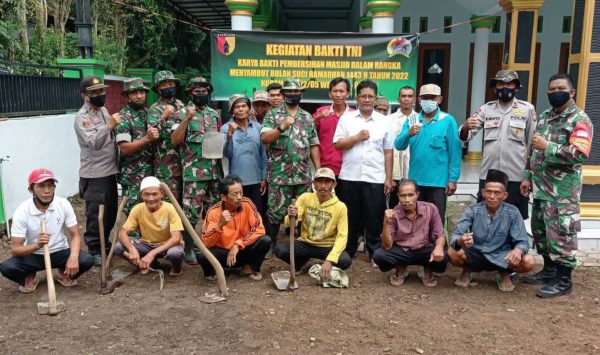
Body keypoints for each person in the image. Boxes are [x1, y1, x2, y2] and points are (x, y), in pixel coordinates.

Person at [521, 73, 594, 298]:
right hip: (541, 188)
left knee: (562, 234)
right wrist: (526, 176)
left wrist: (548, 146)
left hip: (563, 193)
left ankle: (564, 281)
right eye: (551, 89)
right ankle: (549, 270)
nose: (555, 92)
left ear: (571, 92)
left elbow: (580, 154)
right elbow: (532, 150)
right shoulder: (544, 116)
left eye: (560, 88)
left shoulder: (579, 120)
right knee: (541, 232)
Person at [0, 169, 94, 292]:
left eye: (50, 185)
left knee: (86, 260)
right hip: (33, 255)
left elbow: (75, 235)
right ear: (31, 190)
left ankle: (65, 273)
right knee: (7, 267)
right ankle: (29, 276)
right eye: (41, 186)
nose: (47, 191)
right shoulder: (22, 211)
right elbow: (16, 249)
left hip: (60, 251)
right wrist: (37, 245)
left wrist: (73, 257)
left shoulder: (63, 204)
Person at [459, 70, 536, 219]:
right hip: (489, 174)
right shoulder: (486, 109)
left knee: (515, 217)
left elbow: (533, 146)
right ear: (495, 87)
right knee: (485, 215)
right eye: (500, 84)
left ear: (517, 87)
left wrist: (528, 176)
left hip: (515, 175)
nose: (505, 87)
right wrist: (466, 126)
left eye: (509, 84)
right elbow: (466, 136)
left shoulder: (527, 110)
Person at [333, 79, 394, 262]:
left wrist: (389, 179)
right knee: (351, 215)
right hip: (349, 176)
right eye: (363, 96)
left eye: (371, 96)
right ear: (357, 98)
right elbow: (338, 144)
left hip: (375, 177)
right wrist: (357, 137)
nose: (367, 99)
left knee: (374, 216)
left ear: (375, 99)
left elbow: (389, 153)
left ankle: (374, 251)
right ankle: (349, 249)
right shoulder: (347, 118)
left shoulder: (385, 121)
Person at [449, 169, 535, 292]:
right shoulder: (473, 210)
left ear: (505, 195)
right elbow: (456, 235)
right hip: (476, 252)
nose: (492, 197)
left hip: (501, 255)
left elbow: (522, 241)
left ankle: (503, 273)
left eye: (497, 193)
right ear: (483, 192)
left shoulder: (513, 212)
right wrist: (460, 241)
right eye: (488, 192)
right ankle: (467, 270)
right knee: (452, 252)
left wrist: (518, 250)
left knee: (528, 261)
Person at [261, 78, 320, 254]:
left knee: (304, 210)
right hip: (280, 174)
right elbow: (265, 139)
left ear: (301, 94)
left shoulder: (307, 117)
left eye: (296, 92)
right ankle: (271, 244)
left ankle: (302, 245)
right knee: (276, 210)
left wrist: (318, 170)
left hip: (302, 174)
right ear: (283, 94)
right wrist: (282, 127)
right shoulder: (272, 115)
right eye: (289, 92)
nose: (293, 95)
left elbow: (313, 145)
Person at [171, 77, 223, 263]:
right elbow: (175, 141)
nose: (201, 94)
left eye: (204, 90)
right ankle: (189, 248)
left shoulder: (214, 114)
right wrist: (187, 118)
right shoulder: (180, 113)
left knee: (212, 211)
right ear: (190, 92)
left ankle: (209, 244)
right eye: (197, 90)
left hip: (214, 172)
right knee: (191, 212)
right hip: (193, 173)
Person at [395, 83, 461, 224]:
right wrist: (408, 133)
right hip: (416, 181)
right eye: (425, 97)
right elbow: (399, 145)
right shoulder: (412, 120)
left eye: (432, 97)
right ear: (419, 100)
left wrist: (453, 178)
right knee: (415, 218)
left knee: (436, 219)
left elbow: (455, 151)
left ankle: (437, 245)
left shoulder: (447, 120)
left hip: (438, 182)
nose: (428, 101)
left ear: (439, 99)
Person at [73, 75, 120, 265]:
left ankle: (105, 243)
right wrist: (109, 127)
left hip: (110, 171)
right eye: (94, 92)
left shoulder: (102, 110)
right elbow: (93, 142)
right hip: (94, 175)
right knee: (95, 213)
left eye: (101, 91)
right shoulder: (82, 117)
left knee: (111, 212)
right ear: (85, 95)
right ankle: (93, 250)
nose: (100, 94)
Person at [275, 168, 352, 279]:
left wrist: (330, 261)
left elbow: (342, 236)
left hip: (327, 246)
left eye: (327, 182)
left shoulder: (340, 207)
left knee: (345, 261)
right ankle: (301, 263)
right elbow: (290, 223)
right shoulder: (305, 198)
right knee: (280, 250)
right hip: (306, 243)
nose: (323, 185)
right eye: (319, 181)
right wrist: (292, 216)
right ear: (314, 184)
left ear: (334, 184)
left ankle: (324, 265)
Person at [373, 179, 447, 287]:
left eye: (410, 195)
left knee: (443, 255)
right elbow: (387, 245)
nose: (407, 199)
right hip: (403, 251)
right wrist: (385, 224)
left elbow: (439, 234)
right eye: (403, 196)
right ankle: (401, 266)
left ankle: (426, 268)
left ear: (417, 194)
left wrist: (439, 247)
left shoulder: (431, 209)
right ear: (398, 196)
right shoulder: (394, 213)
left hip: (425, 249)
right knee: (379, 255)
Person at [198, 175, 270, 281]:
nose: (239, 197)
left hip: (242, 251)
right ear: (223, 197)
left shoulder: (247, 204)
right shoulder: (213, 212)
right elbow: (207, 242)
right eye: (235, 194)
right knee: (201, 255)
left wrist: (238, 244)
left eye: (241, 192)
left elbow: (259, 229)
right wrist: (219, 225)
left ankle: (250, 267)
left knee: (265, 240)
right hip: (223, 254)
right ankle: (214, 271)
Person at [114, 176, 185, 276]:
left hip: (167, 246)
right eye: (146, 194)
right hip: (146, 245)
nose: (151, 198)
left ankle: (177, 268)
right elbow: (122, 234)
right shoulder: (137, 209)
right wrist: (131, 248)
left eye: (154, 194)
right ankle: (144, 264)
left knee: (175, 253)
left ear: (162, 194)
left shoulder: (170, 208)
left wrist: (151, 254)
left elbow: (176, 239)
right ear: (141, 195)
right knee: (118, 247)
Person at [116, 78, 158, 215]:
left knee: (151, 214)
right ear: (127, 95)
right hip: (132, 177)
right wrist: (147, 139)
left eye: (142, 92)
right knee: (134, 215)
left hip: (151, 174)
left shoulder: (148, 113)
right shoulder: (124, 117)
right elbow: (124, 148)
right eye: (134, 93)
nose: (139, 96)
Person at [221, 94, 267, 216]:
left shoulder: (257, 127)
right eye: (237, 107)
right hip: (236, 182)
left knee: (256, 213)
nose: (241, 109)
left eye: (244, 106)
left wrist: (263, 177)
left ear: (249, 108)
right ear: (232, 111)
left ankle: (256, 235)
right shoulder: (225, 128)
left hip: (256, 179)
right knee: (239, 214)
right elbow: (227, 155)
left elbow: (263, 154)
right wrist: (229, 136)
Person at [147, 70, 185, 203]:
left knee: (183, 205)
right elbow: (152, 135)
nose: (169, 86)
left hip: (185, 163)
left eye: (171, 83)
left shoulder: (181, 105)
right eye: (164, 84)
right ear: (158, 88)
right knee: (169, 204)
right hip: (166, 166)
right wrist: (163, 116)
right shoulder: (154, 109)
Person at [313, 77, 354, 183]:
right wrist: (318, 118)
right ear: (330, 94)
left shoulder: (354, 116)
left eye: (341, 91)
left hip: (347, 170)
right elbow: (307, 132)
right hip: (324, 169)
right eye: (335, 91)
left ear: (348, 94)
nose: (338, 94)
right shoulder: (321, 112)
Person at [389, 86, 416, 208]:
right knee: (394, 204)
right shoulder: (389, 119)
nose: (406, 99)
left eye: (409, 96)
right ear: (398, 99)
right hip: (395, 165)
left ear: (414, 99)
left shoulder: (419, 119)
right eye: (403, 96)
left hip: (413, 164)